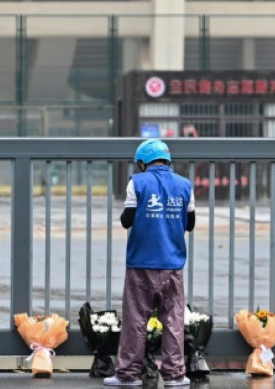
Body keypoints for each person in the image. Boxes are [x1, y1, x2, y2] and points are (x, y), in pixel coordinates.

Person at [104, 138, 196, 387]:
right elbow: (190, 224)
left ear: (143, 162)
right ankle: (175, 375)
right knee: (173, 320)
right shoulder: (185, 185)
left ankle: (128, 375)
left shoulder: (137, 182)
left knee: (136, 319)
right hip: (172, 264)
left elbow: (126, 220)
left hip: (141, 263)